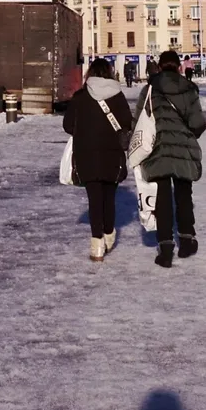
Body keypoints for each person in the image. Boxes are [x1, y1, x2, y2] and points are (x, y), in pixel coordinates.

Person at [140, 48, 206, 268]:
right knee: (183, 194)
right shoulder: (189, 89)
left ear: (159, 67)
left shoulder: (149, 90)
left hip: (157, 149)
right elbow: (198, 123)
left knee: (161, 198)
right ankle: (187, 240)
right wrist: (187, 136)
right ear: (179, 67)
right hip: (183, 150)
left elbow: (139, 123)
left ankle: (166, 246)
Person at [62, 58, 133, 261]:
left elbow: (68, 126)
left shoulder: (80, 97)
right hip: (112, 155)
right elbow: (127, 123)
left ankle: (96, 246)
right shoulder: (118, 96)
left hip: (87, 155)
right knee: (109, 198)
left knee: (94, 200)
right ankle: (109, 235)